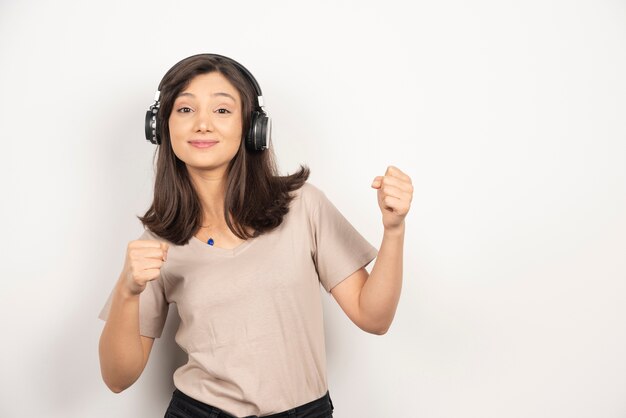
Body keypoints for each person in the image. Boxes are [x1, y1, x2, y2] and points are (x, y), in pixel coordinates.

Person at [98, 53, 413, 418]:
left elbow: (373, 318)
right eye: (185, 110)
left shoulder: (302, 206)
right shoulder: (159, 242)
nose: (202, 124)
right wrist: (127, 290)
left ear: (252, 127)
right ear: (162, 126)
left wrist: (394, 229)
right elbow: (117, 378)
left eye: (222, 110)